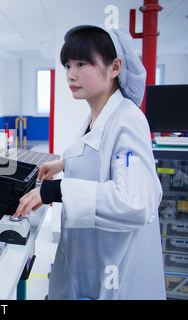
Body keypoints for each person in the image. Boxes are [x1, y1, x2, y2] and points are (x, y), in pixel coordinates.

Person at [13, 25, 166, 300]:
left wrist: (54, 190)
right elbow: (96, 151)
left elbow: (134, 202)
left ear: (115, 66)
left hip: (117, 274)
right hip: (90, 263)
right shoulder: (98, 116)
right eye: (68, 65)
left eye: (82, 64)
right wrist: (64, 162)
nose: (71, 75)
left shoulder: (128, 121)